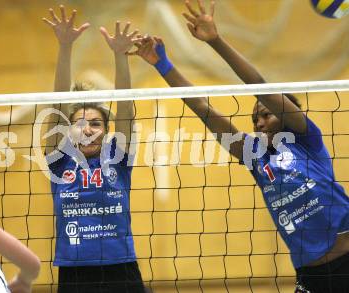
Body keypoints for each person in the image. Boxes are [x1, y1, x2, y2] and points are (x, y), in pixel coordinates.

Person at [132, 0, 349, 292]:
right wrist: (162, 64)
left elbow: (258, 83)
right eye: (254, 119)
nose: (258, 123)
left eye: (266, 114)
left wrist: (215, 41)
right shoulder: (255, 157)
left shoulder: (305, 139)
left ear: (285, 114)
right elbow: (202, 108)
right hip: (311, 277)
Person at [42, 5, 145, 293]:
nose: (87, 130)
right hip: (75, 273)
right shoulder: (59, 161)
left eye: (96, 124)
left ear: (107, 130)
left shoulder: (117, 157)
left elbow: (126, 110)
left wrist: (120, 56)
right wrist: (65, 47)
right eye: (79, 124)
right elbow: (58, 108)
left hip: (120, 268)